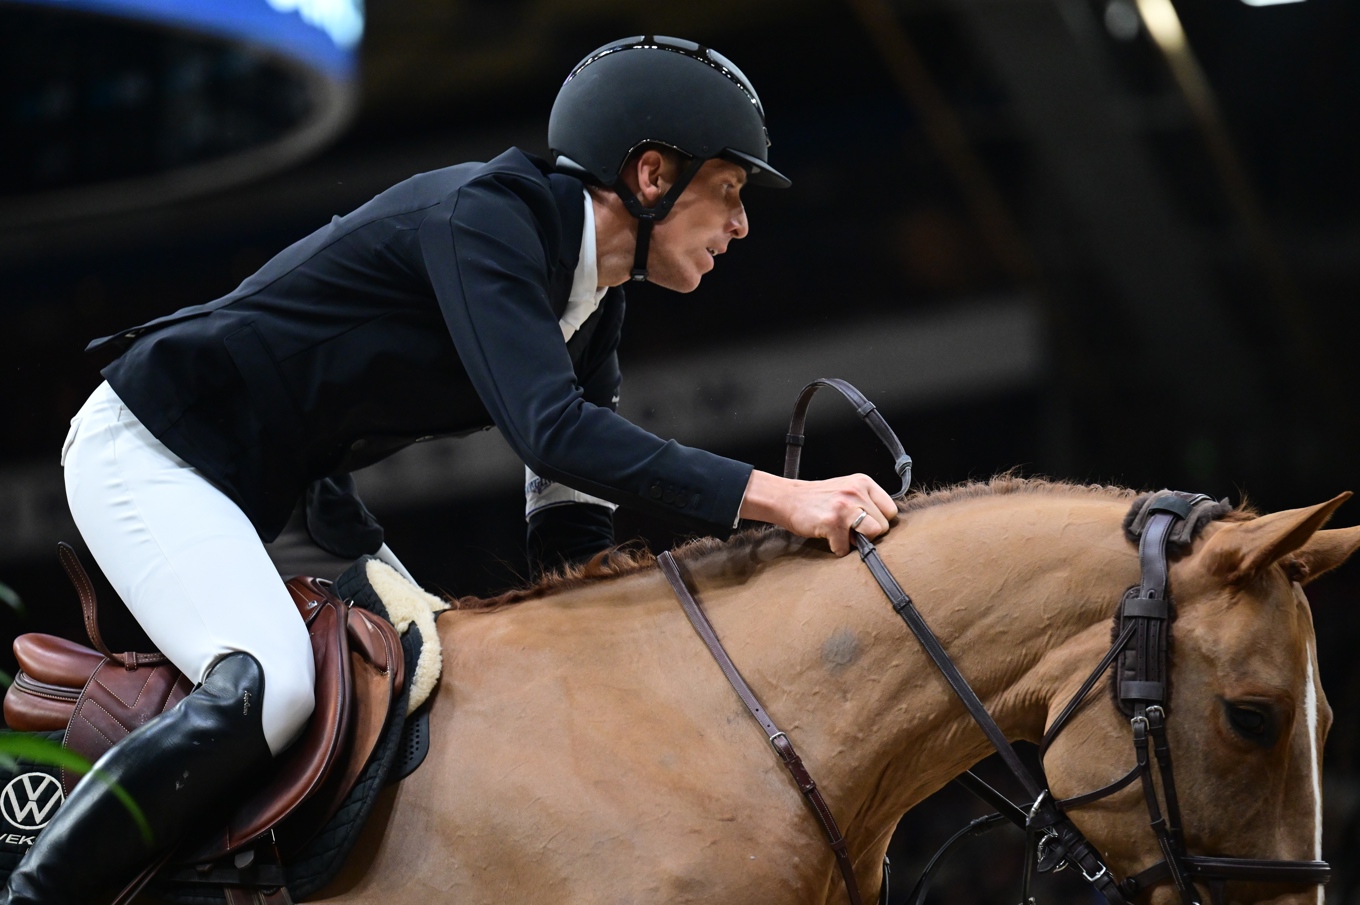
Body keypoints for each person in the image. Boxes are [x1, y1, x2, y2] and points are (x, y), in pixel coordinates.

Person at [1, 36, 896, 904]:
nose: (741, 223)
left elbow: (567, 504)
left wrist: (604, 633)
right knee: (271, 686)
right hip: (152, 448)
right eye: (729, 190)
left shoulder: (594, 301)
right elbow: (555, 435)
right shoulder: (488, 219)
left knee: (444, 680)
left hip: (282, 495)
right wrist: (782, 497)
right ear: (652, 175)